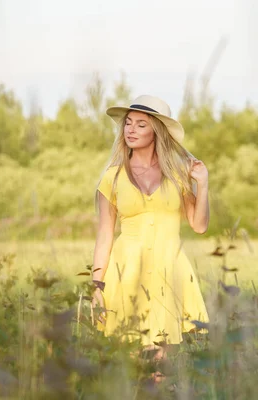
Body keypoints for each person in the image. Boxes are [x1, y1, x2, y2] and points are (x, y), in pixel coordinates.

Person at [91, 94, 210, 352]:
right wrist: (97, 286)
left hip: (169, 271)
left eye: (141, 125)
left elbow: (199, 226)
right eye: (128, 123)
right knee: (132, 362)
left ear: (156, 132)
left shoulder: (177, 175)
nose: (131, 130)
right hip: (126, 273)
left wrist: (202, 183)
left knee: (158, 363)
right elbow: (104, 236)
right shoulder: (112, 177)